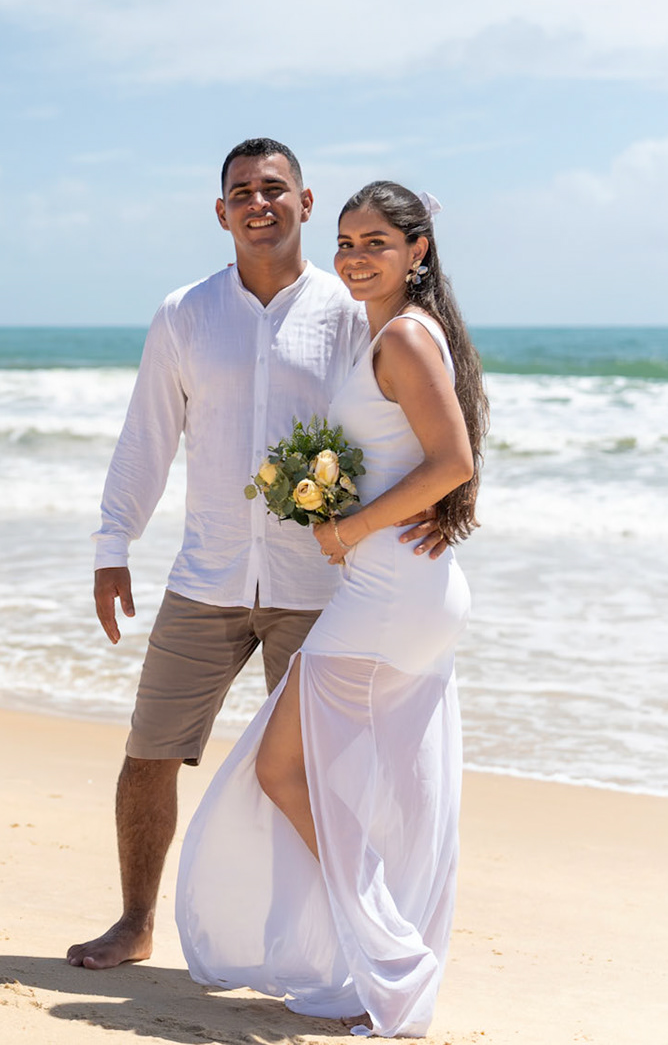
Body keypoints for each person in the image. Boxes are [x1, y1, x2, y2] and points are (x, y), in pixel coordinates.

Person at [174, 180, 486, 1038]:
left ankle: (391, 956)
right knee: (378, 786)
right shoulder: (397, 333)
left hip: (388, 593)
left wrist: (345, 527)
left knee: (282, 769)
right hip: (405, 592)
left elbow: (452, 461)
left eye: (376, 242)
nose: (353, 256)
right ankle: (377, 960)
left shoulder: (406, 340)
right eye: (346, 241)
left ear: (418, 251)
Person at [69, 138, 382, 971]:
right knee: (148, 752)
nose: (259, 203)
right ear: (221, 212)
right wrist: (112, 545)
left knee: (316, 775)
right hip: (204, 576)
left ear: (307, 204)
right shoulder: (184, 312)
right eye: (242, 191)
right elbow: (149, 436)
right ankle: (136, 922)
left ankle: (338, 943)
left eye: (275, 189)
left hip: (319, 583)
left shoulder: (353, 314)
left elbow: (390, 437)